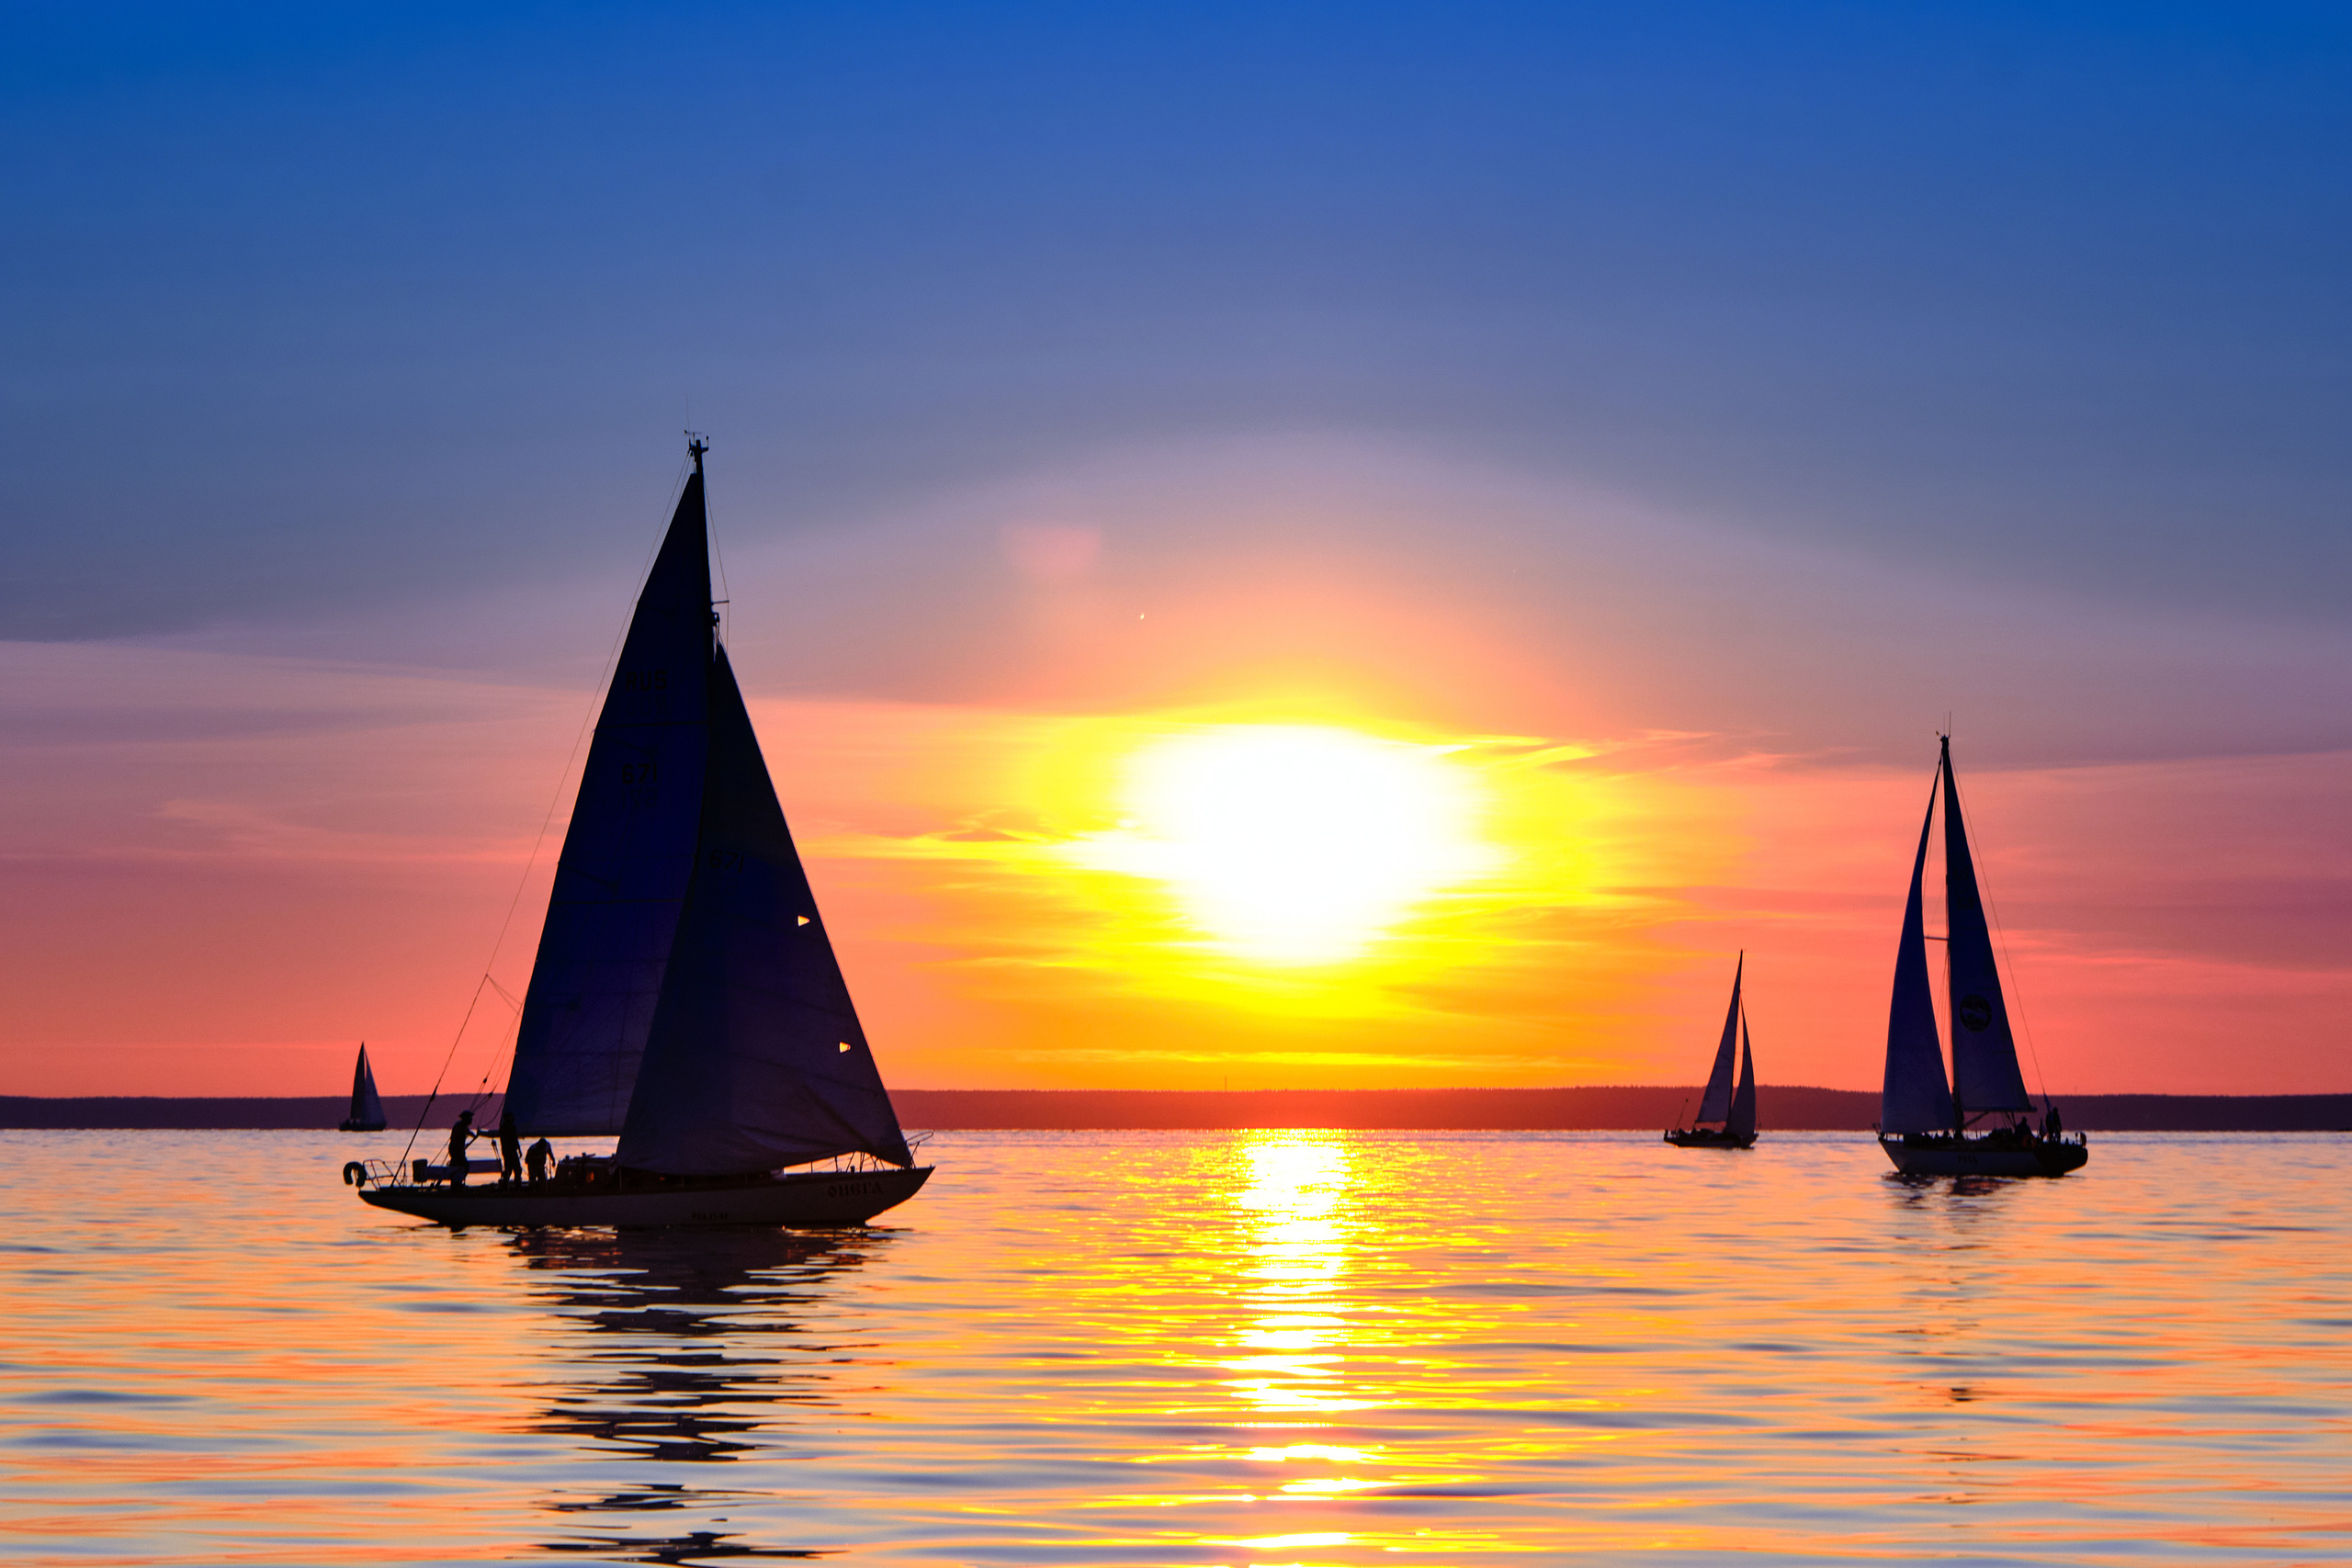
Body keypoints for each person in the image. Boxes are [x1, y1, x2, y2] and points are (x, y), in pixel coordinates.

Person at [447, 1110, 476, 1184]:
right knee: (462, 1166)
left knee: (460, 1166)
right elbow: (455, 1139)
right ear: (465, 1118)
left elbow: (469, 1132)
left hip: (458, 1150)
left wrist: (474, 1135)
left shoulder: (463, 1126)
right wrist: (460, 1148)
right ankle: (456, 1184)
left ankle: (457, 1183)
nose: (471, 1120)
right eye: (470, 1118)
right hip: (456, 1150)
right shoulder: (459, 1126)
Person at [497, 1107, 523, 1185]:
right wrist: (518, 1149)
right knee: (513, 1169)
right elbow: (514, 1139)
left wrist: (518, 1149)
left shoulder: (507, 1128)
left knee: (512, 1170)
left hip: (509, 1151)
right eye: (511, 1117)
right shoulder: (507, 1128)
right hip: (509, 1151)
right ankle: (513, 1185)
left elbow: (515, 1139)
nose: (512, 1118)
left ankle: (512, 1184)